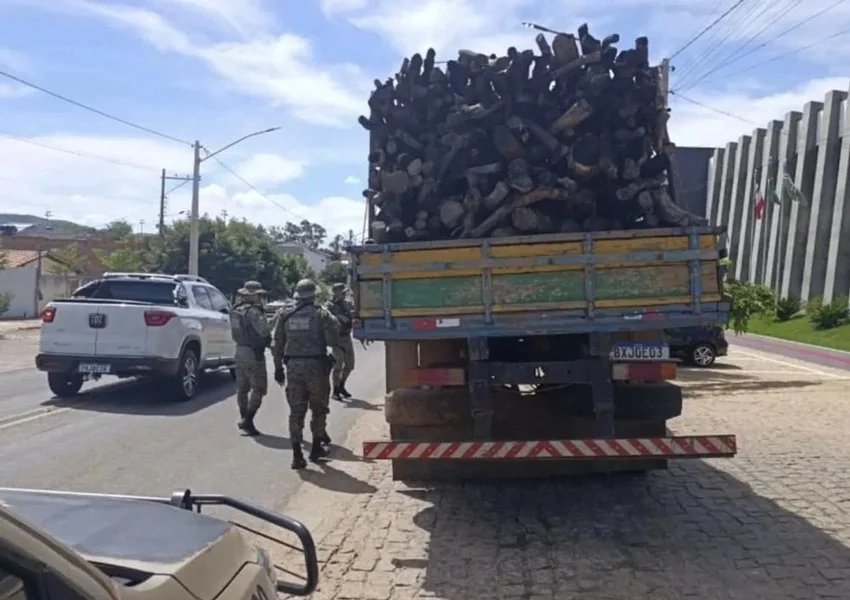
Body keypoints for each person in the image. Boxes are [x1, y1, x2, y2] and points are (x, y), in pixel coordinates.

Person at [271, 278, 341, 470]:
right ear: (314, 295)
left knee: (296, 412)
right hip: (316, 367)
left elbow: (277, 344)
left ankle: (297, 455)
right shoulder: (321, 314)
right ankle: (316, 448)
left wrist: (278, 369)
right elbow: (333, 340)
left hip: (293, 368)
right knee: (318, 409)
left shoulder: (285, 314)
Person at [229, 280, 271, 436]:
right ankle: (248, 420)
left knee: (242, 389)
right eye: (258, 295)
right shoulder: (253, 312)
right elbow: (264, 331)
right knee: (259, 388)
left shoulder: (235, 310)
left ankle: (244, 417)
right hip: (253, 353)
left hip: (239, 350)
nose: (260, 298)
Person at [325, 282, 356, 400]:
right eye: (342, 293)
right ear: (336, 294)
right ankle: (335, 391)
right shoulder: (329, 306)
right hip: (336, 339)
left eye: (344, 293)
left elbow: (353, 314)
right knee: (337, 366)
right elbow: (325, 317)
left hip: (346, 337)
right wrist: (337, 316)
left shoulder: (346, 304)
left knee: (350, 364)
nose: (344, 295)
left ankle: (342, 385)